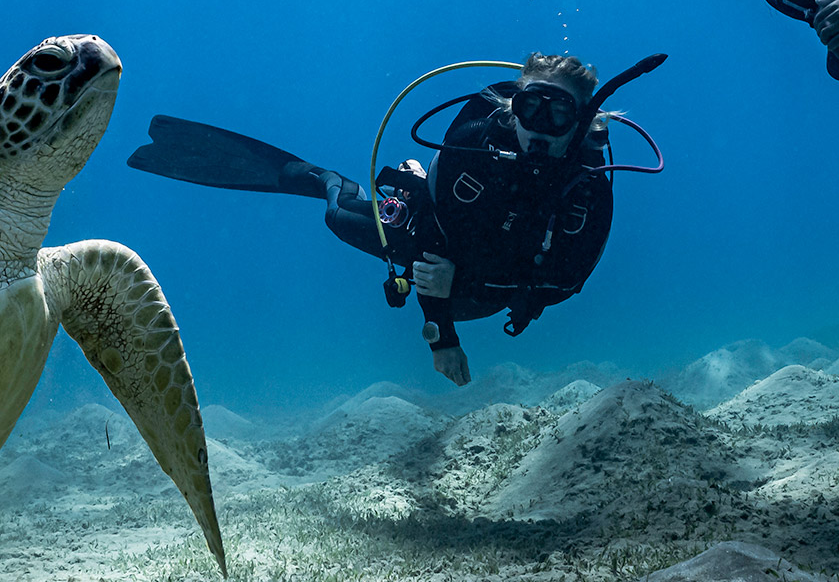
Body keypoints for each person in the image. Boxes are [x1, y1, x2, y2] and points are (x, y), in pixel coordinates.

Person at [127, 52, 663, 386]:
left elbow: (569, 280)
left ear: (582, 122)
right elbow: (429, 253)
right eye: (531, 109)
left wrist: (497, 287)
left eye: (560, 114)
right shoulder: (471, 151)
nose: (540, 128)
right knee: (340, 218)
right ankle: (322, 177)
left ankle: (428, 224)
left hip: (488, 288)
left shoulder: (589, 192)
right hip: (438, 245)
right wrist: (442, 339)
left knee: (464, 284)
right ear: (512, 110)